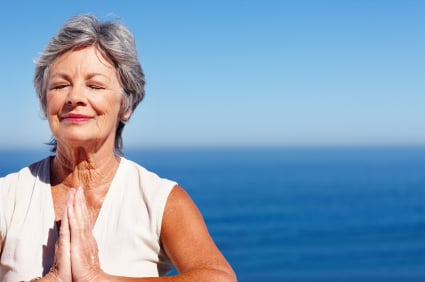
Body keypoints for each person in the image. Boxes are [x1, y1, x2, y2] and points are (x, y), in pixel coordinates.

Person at [0, 14, 236, 281]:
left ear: (125, 106)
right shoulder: (8, 198)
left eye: (95, 85)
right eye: (60, 85)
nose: (75, 97)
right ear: (45, 103)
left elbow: (219, 277)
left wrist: (96, 278)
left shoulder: (160, 200)